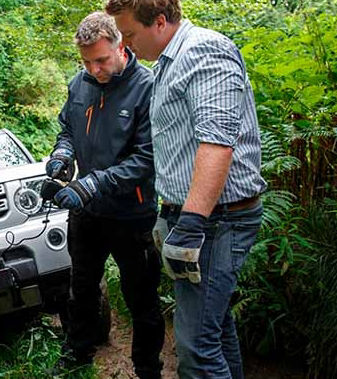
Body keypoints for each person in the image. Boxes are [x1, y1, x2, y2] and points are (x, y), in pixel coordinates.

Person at [105, 1, 268, 378]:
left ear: (160, 22)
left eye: (129, 34)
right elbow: (177, 145)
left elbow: (216, 144)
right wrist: (170, 213)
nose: (126, 45)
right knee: (216, 329)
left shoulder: (204, 52)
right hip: (198, 216)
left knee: (195, 350)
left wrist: (191, 222)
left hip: (218, 220)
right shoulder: (167, 62)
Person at [46, 11, 164, 378]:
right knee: (81, 288)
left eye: (100, 60)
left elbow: (147, 158)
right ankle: (79, 354)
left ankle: (148, 368)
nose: (94, 69)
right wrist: (62, 154)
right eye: (86, 61)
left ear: (121, 45)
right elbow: (67, 128)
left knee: (141, 297)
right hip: (87, 211)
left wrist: (93, 183)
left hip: (133, 212)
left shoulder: (147, 87)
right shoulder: (79, 84)